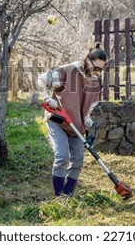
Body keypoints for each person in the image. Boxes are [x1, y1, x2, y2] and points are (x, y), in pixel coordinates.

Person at [37, 42, 107, 197]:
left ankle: (67, 194)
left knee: (78, 161)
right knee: (62, 156)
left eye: (101, 70)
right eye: (96, 68)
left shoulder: (96, 83)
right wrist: (48, 98)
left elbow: (87, 108)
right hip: (58, 120)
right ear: (87, 60)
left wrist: (87, 119)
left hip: (77, 126)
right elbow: (41, 81)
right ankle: (58, 193)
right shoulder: (67, 71)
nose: (98, 72)